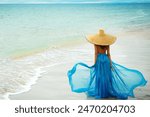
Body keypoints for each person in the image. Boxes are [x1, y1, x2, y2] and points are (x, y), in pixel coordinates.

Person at [67, 29, 147, 99]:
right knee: (107, 76)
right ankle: (107, 91)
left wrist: (95, 64)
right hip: (106, 60)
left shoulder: (96, 44)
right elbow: (109, 54)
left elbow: (96, 53)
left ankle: (102, 92)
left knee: (100, 76)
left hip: (99, 60)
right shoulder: (107, 44)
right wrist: (111, 64)